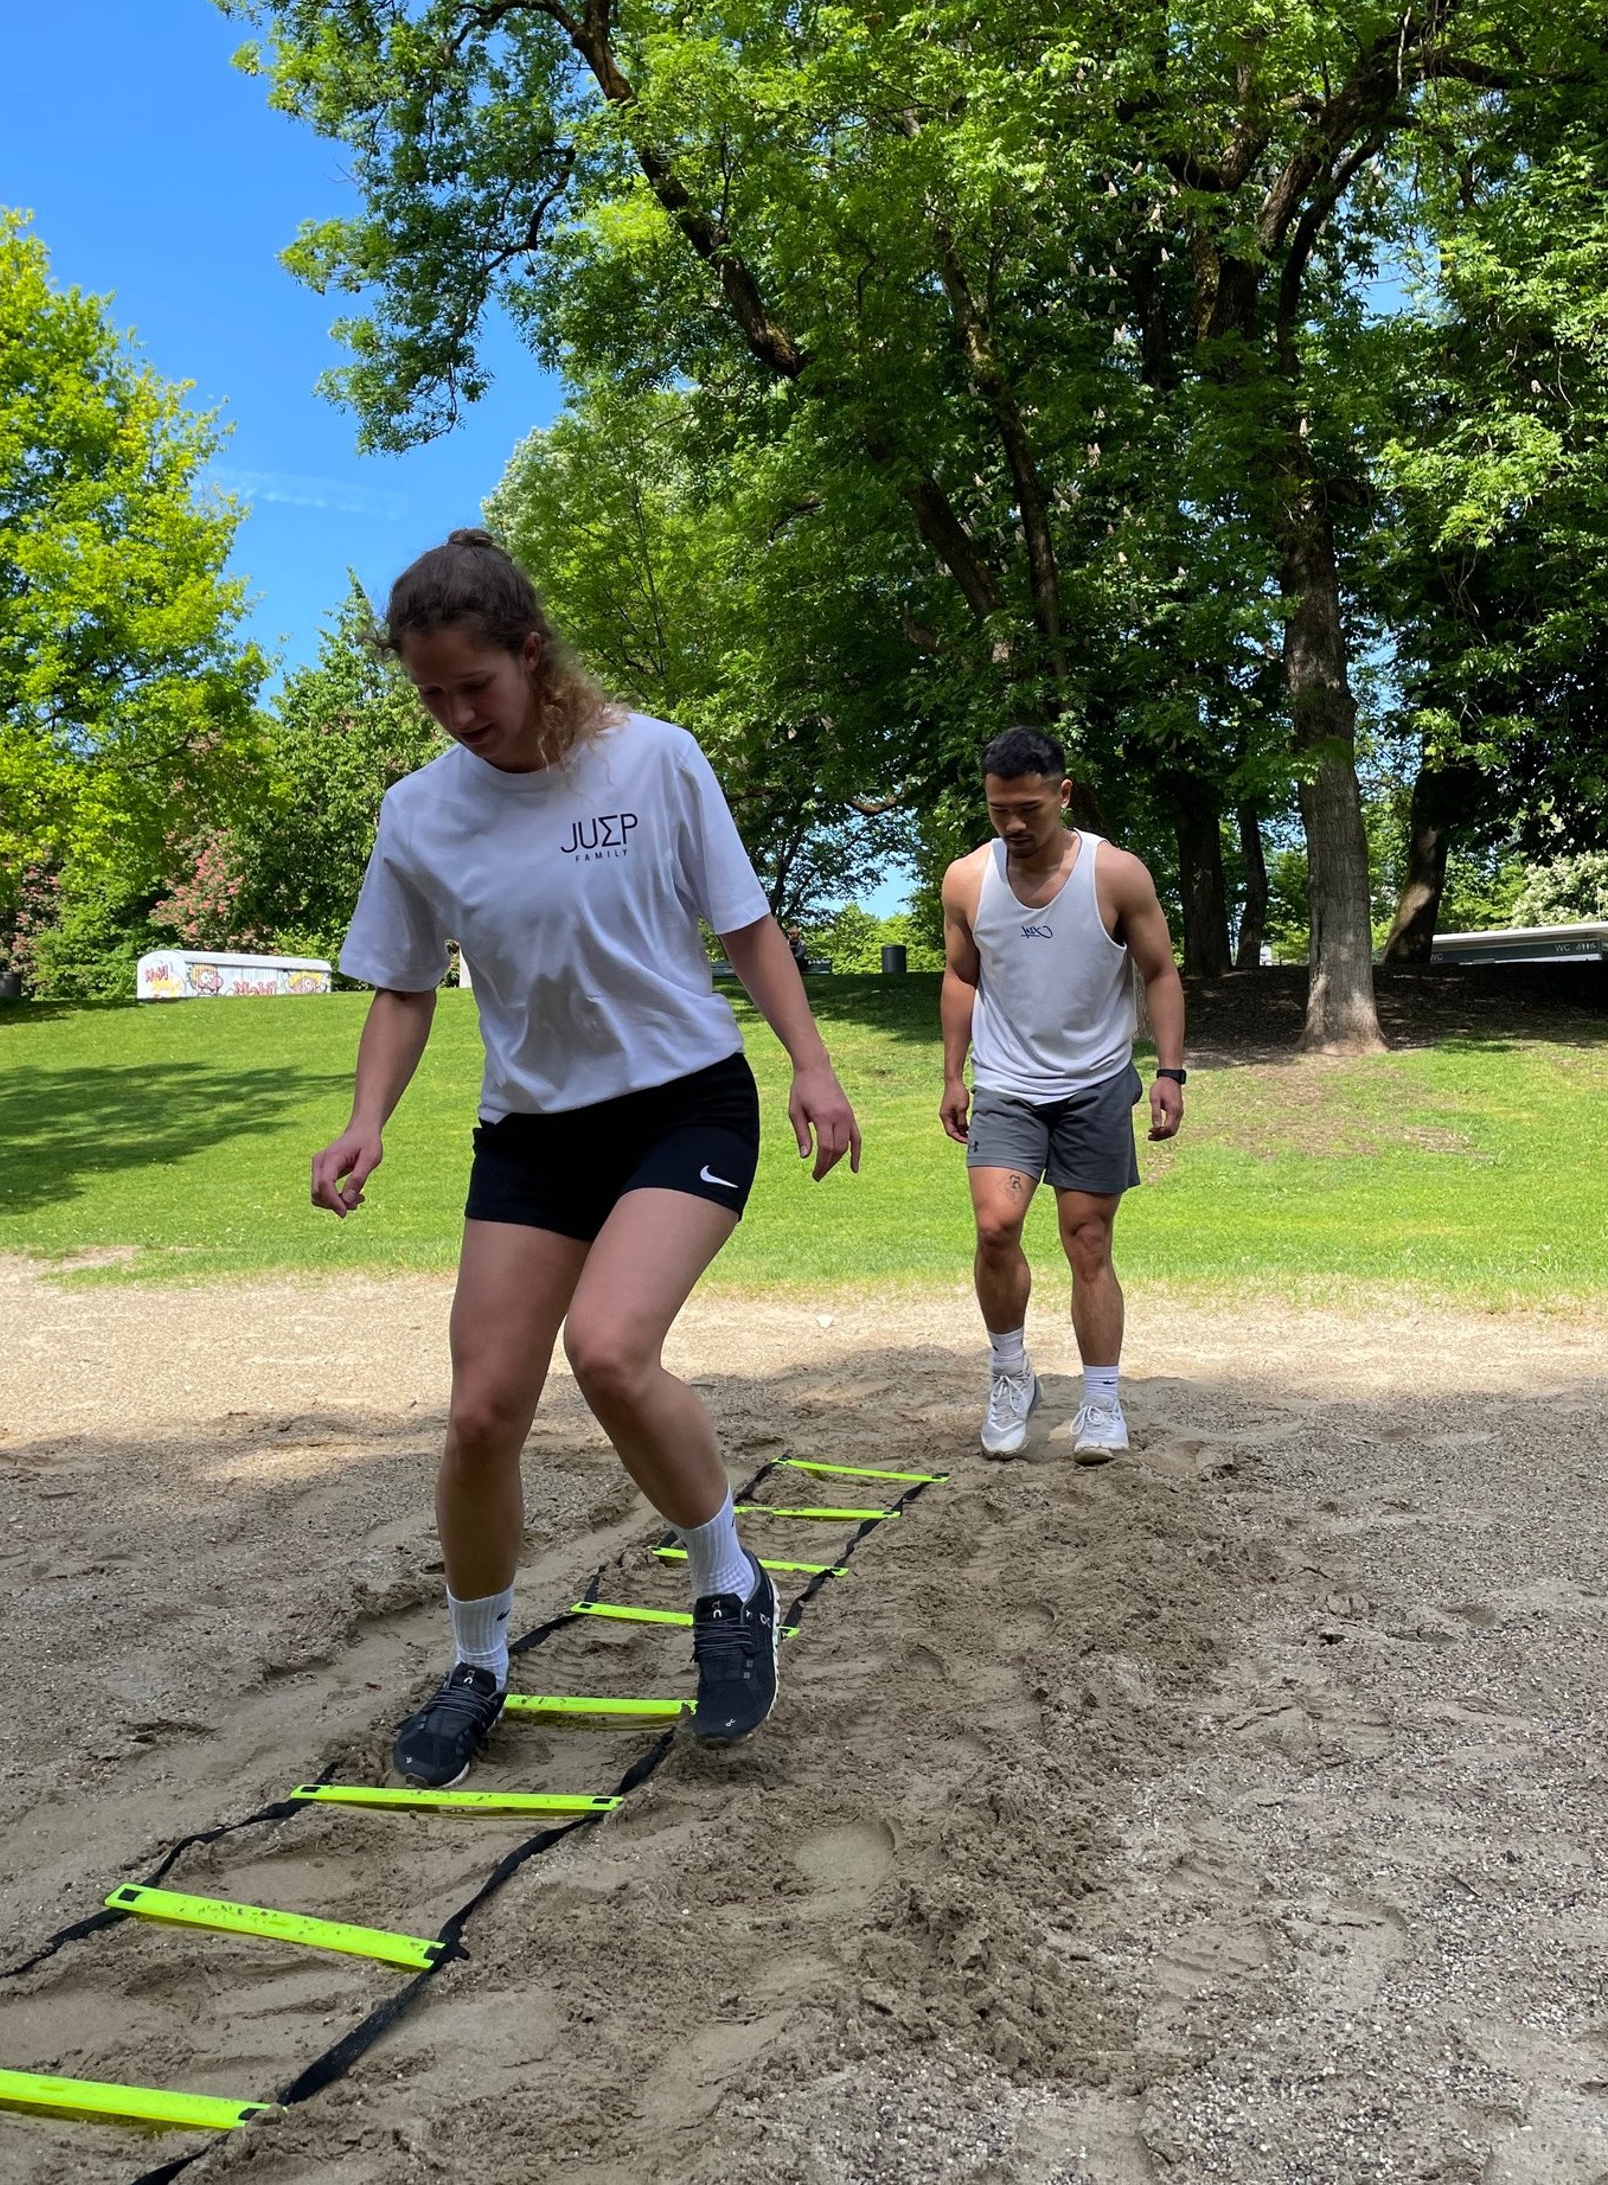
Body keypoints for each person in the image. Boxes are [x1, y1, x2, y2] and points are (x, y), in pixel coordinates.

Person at [312, 531, 861, 1784]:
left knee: (611, 1349)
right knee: (480, 1412)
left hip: (683, 1105)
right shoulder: (418, 813)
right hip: (535, 1133)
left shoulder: (651, 758)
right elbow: (404, 991)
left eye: (476, 686)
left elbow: (748, 924)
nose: (456, 715)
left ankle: (729, 1583)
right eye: (430, 695)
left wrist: (812, 1066)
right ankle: (479, 1663)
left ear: (531, 654)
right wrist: (366, 1117)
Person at [939, 726, 1186, 1465]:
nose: (1014, 825)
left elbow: (1162, 974)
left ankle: (1102, 1401)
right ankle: (1012, 1373)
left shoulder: (1116, 875)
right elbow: (961, 977)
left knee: (1088, 1242)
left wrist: (1169, 1073)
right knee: (995, 1227)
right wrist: (953, 1073)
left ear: (1063, 794)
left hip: (1095, 1086)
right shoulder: (966, 881)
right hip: (1008, 1085)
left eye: (1029, 809)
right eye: (999, 810)